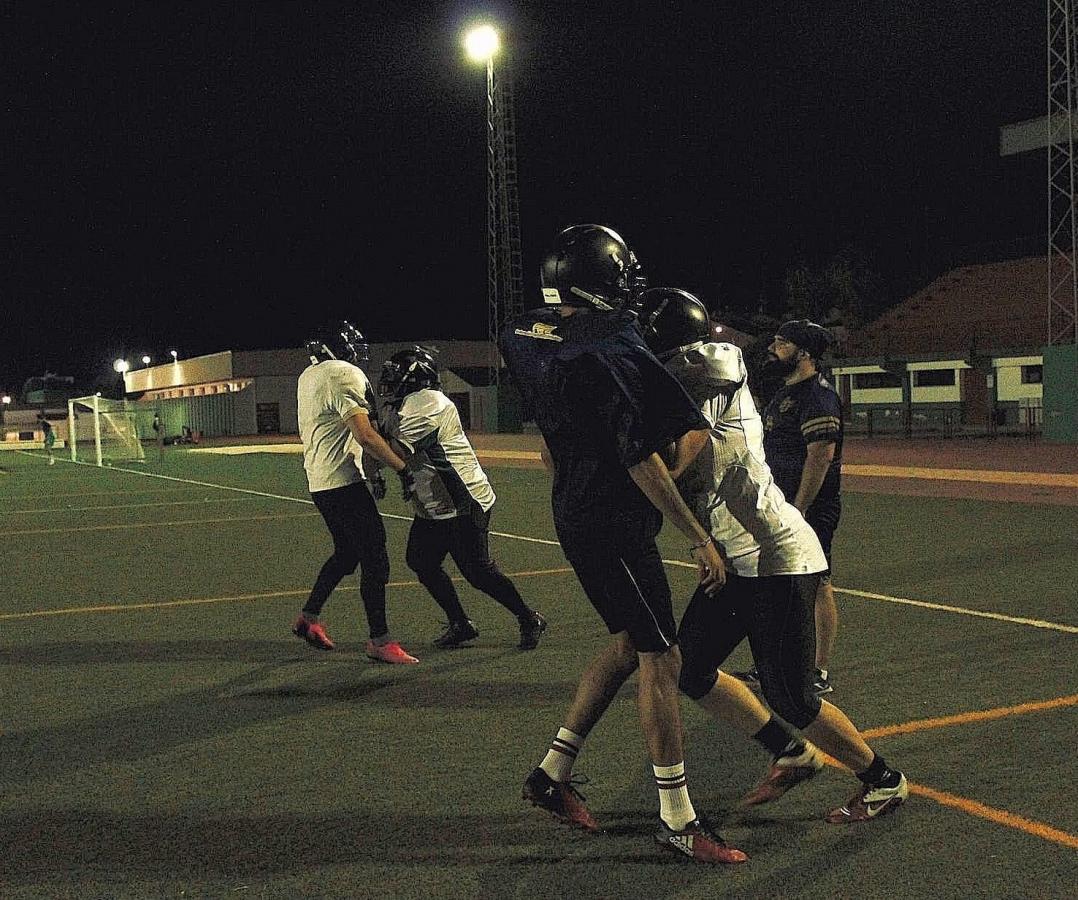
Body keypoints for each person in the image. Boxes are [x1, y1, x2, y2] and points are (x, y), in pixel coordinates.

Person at [499, 225, 746, 865]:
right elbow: (645, 462)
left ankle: (551, 775)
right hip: (612, 521)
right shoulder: (615, 347)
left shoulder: (528, 332)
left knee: (628, 645)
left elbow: (550, 446)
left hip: (575, 510)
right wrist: (698, 539)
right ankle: (678, 817)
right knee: (661, 660)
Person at [638, 287, 908, 824]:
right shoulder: (696, 383)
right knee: (689, 669)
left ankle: (883, 780)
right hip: (739, 557)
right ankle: (791, 753)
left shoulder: (709, 382)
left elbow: (674, 459)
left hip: (777, 557)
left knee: (793, 697)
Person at [378, 345, 547, 650]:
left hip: (463, 501)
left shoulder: (430, 402)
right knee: (421, 561)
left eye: (395, 375)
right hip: (435, 504)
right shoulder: (401, 404)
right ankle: (461, 623)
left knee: (478, 573)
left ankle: (528, 617)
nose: (388, 382)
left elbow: (392, 451)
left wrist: (357, 430)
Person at [294, 320, 418, 665]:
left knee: (347, 554)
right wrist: (402, 468)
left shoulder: (309, 375)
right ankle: (380, 640)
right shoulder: (343, 374)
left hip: (319, 482)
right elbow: (365, 435)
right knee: (375, 558)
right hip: (342, 482)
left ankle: (309, 617)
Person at [749, 319, 844, 696]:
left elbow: (820, 457)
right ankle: (773, 663)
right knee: (775, 585)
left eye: (782, 343)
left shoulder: (817, 397)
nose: (773, 348)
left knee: (817, 585)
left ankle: (818, 671)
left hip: (808, 509)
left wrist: (799, 508)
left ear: (804, 353)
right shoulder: (785, 391)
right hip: (780, 505)